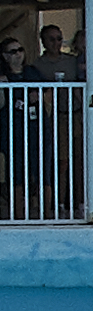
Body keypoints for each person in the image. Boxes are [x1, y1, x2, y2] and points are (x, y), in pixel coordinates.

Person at [0, 38, 43, 218]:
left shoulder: (32, 72)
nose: (18, 54)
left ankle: (42, 212)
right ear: (4, 56)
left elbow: (47, 94)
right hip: (12, 129)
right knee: (16, 170)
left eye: (20, 49)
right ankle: (17, 213)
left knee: (37, 168)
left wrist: (38, 95)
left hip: (34, 128)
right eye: (13, 51)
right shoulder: (2, 75)